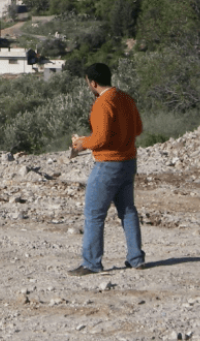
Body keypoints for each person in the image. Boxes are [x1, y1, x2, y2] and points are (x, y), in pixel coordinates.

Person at [68, 62, 144, 274]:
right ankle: (136, 258)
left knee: (94, 213)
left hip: (108, 164)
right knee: (128, 211)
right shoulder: (126, 98)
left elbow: (100, 140)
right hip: (129, 162)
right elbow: (138, 128)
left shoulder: (103, 103)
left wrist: (82, 143)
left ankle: (91, 263)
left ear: (92, 82)